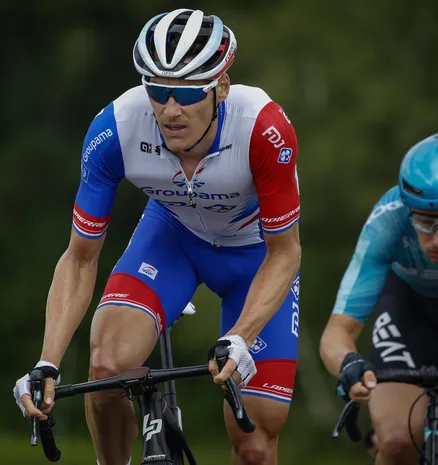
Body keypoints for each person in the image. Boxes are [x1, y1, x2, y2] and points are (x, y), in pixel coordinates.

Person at [13, 8, 301, 465]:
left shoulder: (264, 130)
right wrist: (47, 360)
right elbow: (80, 258)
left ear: (222, 87)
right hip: (172, 239)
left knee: (254, 440)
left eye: (186, 93)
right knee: (107, 368)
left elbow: (286, 253)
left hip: (255, 257)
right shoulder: (116, 129)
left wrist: (242, 335)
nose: (169, 109)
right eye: (157, 89)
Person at [320, 130, 438, 464]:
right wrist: (349, 365)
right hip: (412, 309)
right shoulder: (389, 219)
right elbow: (336, 333)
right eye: (425, 222)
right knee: (398, 441)